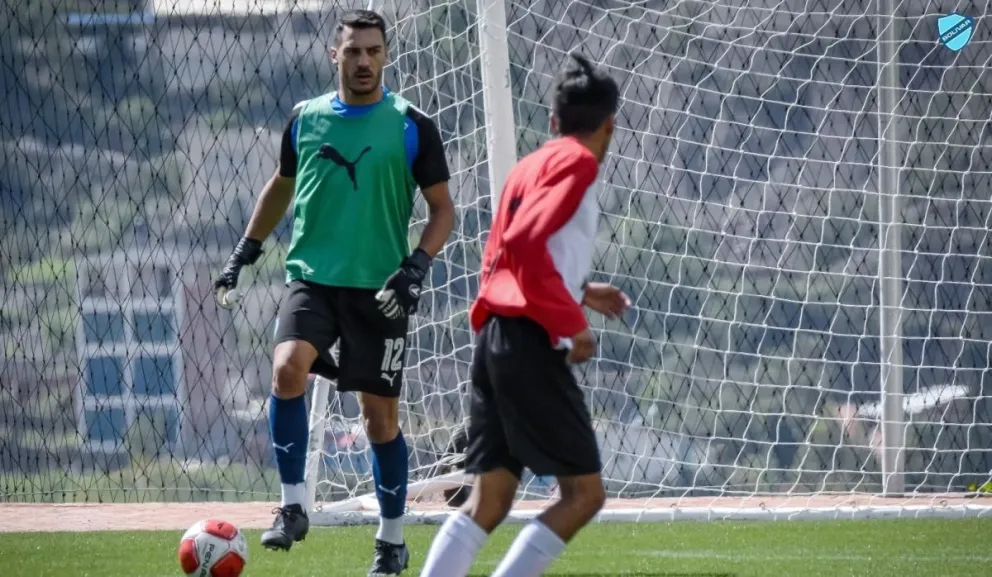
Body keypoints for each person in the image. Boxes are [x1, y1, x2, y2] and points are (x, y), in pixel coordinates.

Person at [213, 9, 454, 576]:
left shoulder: (412, 125)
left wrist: (416, 266)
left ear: (386, 55)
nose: (363, 61)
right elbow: (282, 185)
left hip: (380, 291)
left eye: (373, 51)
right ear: (334, 56)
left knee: (379, 420)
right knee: (286, 369)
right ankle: (293, 506)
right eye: (353, 51)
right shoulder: (306, 118)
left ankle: (391, 542)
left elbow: (443, 209)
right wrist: (246, 248)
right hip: (313, 279)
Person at [418, 52, 627, 577]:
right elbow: (524, 243)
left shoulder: (528, 167)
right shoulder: (578, 163)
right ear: (610, 125)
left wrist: (581, 291)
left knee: (489, 501)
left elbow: (507, 257)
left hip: (496, 337)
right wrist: (572, 323)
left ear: (553, 121)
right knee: (584, 494)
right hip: (530, 343)